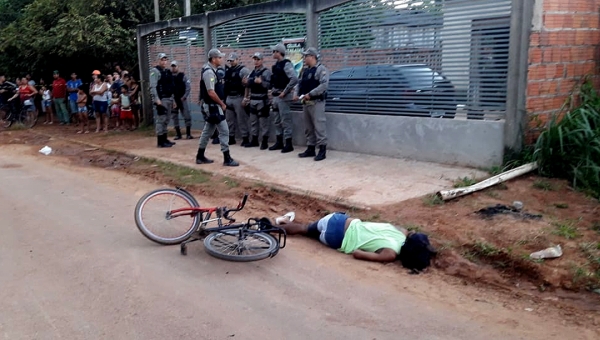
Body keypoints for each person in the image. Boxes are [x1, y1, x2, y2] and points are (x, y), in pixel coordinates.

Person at [274, 212, 436, 270]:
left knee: (306, 228)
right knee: (311, 233)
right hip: (333, 240)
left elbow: (410, 231)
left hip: (336, 220)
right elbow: (358, 254)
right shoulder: (390, 253)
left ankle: (275, 226)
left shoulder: (401, 231)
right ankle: (286, 224)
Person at [195, 48, 239, 167]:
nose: (221, 59)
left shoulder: (212, 70)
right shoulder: (209, 72)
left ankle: (200, 156)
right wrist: (222, 104)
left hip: (212, 106)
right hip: (213, 106)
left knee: (207, 131)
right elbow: (211, 92)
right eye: (219, 57)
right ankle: (227, 158)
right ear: (213, 59)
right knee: (224, 130)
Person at [294, 47, 329, 161]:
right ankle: (310, 148)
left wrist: (311, 93)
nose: (304, 58)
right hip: (306, 102)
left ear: (312, 57)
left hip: (316, 102)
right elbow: (299, 83)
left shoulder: (321, 69)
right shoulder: (305, 70)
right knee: (308, 128)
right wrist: (296, 93)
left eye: (306, 56)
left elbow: (324, 85)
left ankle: (322, 150)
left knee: (319, 127)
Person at [269, 43, 299, 153]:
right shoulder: (276, 65)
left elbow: (294, 79)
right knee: (277, 120)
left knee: (285, 120)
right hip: (276, 96)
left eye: (274, 51)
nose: (273, 53)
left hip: (283, 97)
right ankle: (279, 141)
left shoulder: (286, 64)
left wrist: (285, 91)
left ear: (279, 52)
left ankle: (288, 143)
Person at [243, 52, 272, 150]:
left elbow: (269, 85)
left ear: (262, 60)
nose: (256, 61)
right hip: (253, 99)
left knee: (263, 121)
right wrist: (246, 83)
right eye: (254, 59)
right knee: (253, 121)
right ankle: (254, 140)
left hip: (262, 100)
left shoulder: (266, 72)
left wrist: (261, 82)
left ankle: (264, 141)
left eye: (258, 59)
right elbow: (248, 84)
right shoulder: (252, 72)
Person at [149, 52, 176, 148]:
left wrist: (173, 100)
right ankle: (160, 141)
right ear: (158, 60)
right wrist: (157, 99)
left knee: (167, 119)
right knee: (161, 119)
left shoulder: (167, 72)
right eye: (162, 60)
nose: (164, 62)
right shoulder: (155, 71)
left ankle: (165, 138)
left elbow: (171, 86)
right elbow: (153, 86)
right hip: (162, 99)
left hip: (169, 98)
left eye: (165, 60)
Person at [224, 52, 251, 146]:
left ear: (237, 60)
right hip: (229, 97)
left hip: (238, 97)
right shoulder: (228, 70)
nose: (231, 62)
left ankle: (245, 137)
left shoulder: (243, 70)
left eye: (233, 60)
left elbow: (248, 85)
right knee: (229, 119)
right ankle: (231, 137)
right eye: (230, 61)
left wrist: (246, 97)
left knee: (241, 119)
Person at [170, 60, 194, 140]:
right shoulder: (169, 77)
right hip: (174, 99)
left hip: (182, 99)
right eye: (172, 66)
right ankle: (178, 134)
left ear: (178, 67)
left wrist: (184, 96)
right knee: (174, 117)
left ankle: (188, 134)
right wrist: (172, 99)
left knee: (187, 116)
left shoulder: (183, 76)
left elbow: (188, 87)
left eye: (175, 66)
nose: (173, 68)